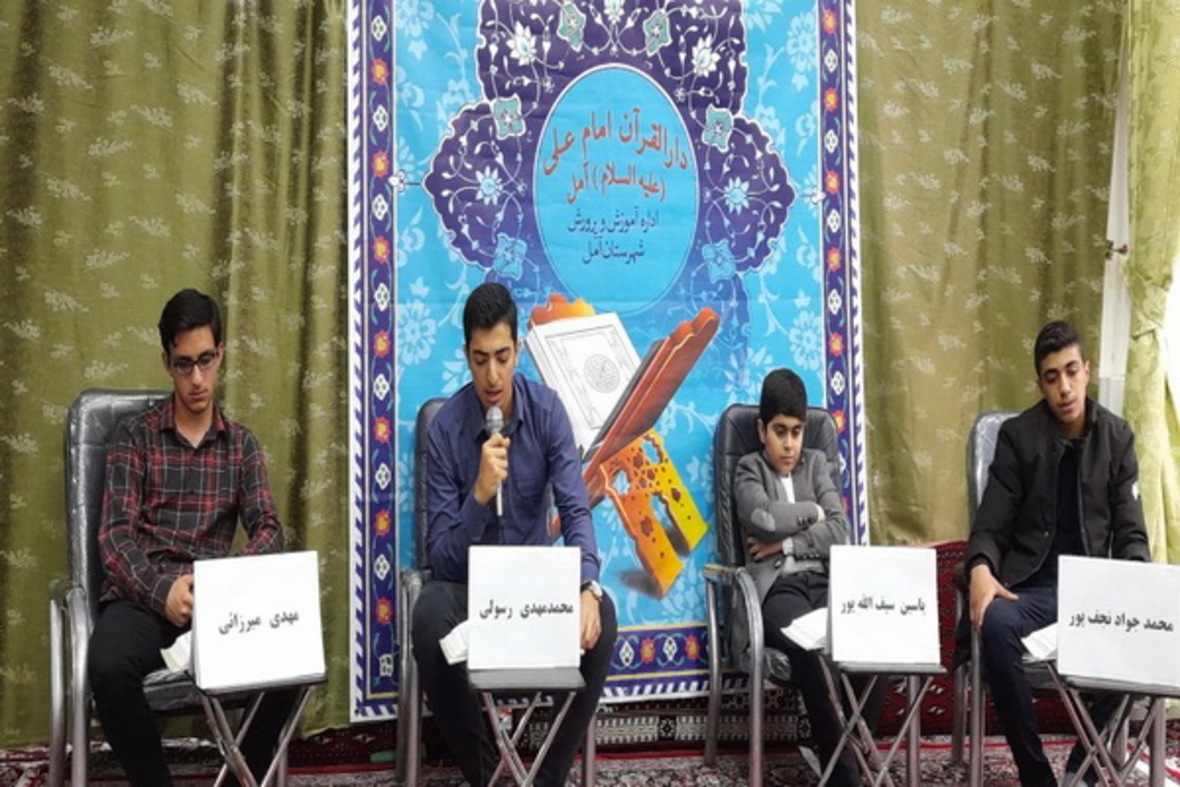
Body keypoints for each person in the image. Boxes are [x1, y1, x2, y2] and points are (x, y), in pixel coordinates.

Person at [411, 282, 617, 787]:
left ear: (518, 350)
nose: (492, 375)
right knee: (428, 614)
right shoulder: (446, 429)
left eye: (502, 358)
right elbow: (441, 558)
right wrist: (479, 496)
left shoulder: (547, 412)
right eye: (480, 360)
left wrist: (586, 586)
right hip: (469, 588)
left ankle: (545, 778)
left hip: (532, 587)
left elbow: (575, 511)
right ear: (466, 354)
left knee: (603, 616)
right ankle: (489, 777)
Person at [88, 288, 296, 787]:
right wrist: (164, 591)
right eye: (184, 365)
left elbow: (269, 529)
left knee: (295, 659)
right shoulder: (135, 437)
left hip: (216, 603)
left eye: (206, 360)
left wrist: (227, 582)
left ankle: (238, 780)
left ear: (221, 354)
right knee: (109, 668)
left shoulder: (241, 445)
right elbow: (114, 538)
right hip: (144, 598)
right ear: (167, 362)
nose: (197, 378)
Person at [965, 320, 1150, 787]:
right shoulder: (1018, 437)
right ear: (1041, 383)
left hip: (1093, 594)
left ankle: (1081, 768)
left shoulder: (1118, 438)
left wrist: (1137, 588)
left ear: (1087, 370)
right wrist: (981, 568)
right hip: (1032, 592)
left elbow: (1132, 537)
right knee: (996, 621)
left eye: (1071, 371)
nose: (1064, 387)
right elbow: (989, 525)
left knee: (1145, 626)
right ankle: (1036, 775)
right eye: (1052, 377)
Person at [734, 367, 880, 786]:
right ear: (762, 430)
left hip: (823, 583)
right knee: (811, 648)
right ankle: (845, 776)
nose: (789, 444)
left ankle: (852, 747)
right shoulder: (748, 469)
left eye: (797, 432)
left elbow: (840, 530)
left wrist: (786, 544)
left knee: (875, 638)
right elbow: (763, 516)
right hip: (777, 592)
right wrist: (815, 512)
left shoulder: (816, 464)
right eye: (780, 431)